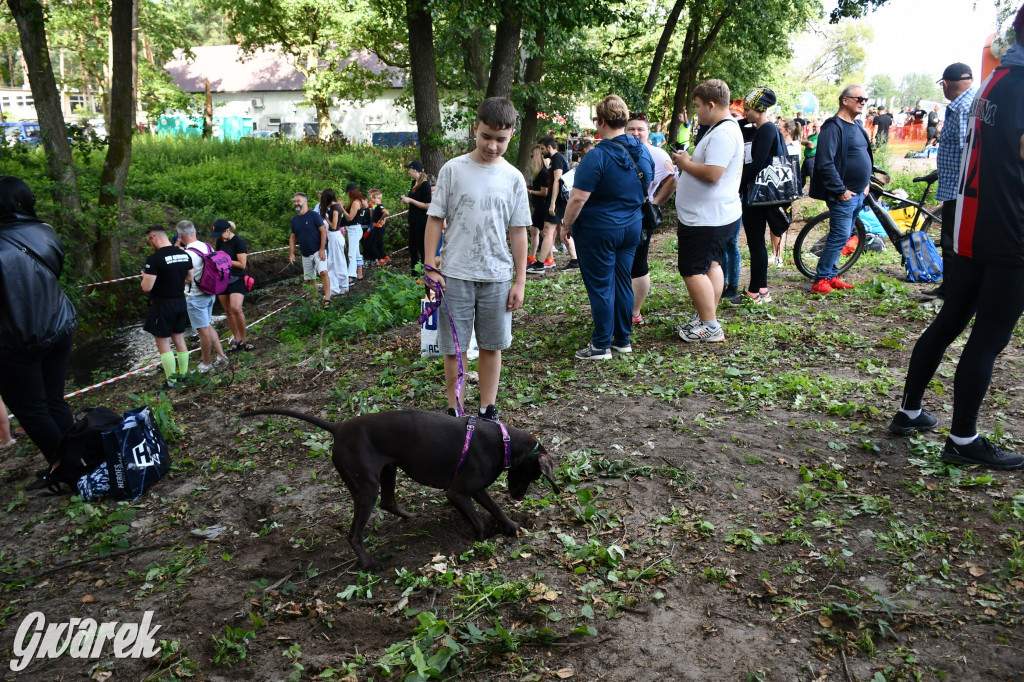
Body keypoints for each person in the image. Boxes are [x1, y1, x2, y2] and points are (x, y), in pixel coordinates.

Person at [888, 7, 1024, 470]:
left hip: (970, 225)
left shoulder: (993, 82)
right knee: (987, 338)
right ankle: (963, 438)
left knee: (951, 320)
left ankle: (909, 413)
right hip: (1011, 234)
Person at [423, 97, 531, 420]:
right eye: (486, 136)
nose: (493, 146)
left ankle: (487, 409)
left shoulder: (514, 178)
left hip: (497, 277)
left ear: (511, 135)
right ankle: (455, 409)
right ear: (475, 128)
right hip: (454, 274)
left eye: (501, 139)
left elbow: (518, 233)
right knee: (455, 350)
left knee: (491, 345)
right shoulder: (453, 170)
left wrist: (520, 280)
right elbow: (433, 220)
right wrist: (431, 266)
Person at [560, 94, 655, 359]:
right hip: (632, 227)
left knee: (601, 285)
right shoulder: (642, 151)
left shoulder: (597, 156)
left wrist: (566, 224)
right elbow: (646, 185)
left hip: (598, 230)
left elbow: (578, 197)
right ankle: (622, 339)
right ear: (624, 120)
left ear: (600, 121)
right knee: (623, 280)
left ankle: (600, 345)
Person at [0, 176, 77, 466]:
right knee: (54, 399)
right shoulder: (46, 231)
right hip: (58, 323)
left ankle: (65, 468)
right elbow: (51, 273)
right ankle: (79, 458)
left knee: (31, 409)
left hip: (17, 339)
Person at [671, 79, 744, 343]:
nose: (697, 112)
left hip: (706, 218)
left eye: (699, 106)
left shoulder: (723, 132)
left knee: (692, 269)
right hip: (712, 214)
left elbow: (713, 174)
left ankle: (710, 326)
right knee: (711, 263)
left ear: (712, 105)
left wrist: (684, 162)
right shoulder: (722, 128)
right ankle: (707, 317)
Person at [808, 84, 873, 294]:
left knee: (843, 237)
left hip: (858, 194)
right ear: (845, 100)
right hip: (843, 195)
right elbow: (825, 162)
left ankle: (831, 275)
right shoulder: (833, 127)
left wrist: (866, 184)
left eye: (865, 99)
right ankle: (821, 280)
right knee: (839, 236)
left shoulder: (857, 127)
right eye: (859, 98)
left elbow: (866, 157)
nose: (863, 102)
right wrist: (840, 190)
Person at [624, 112, 676, 325]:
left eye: (640, 129)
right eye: (631, 129)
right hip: (616, 216)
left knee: (638, 263)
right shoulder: (617, 150)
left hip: (641, 215)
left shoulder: (657, 154)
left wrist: (654, 204)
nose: (636, 133)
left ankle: (634, 312)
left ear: (648, 131)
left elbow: (672, 179)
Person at [930, 62, 976, 300]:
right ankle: (955, 289)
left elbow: (964, 152)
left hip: (959, 189)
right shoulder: (974, 101)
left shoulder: (961, 108)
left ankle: (951, 292)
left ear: (946, 85)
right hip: (964, 187)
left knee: (951, 240)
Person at [734, 87, 784, 304]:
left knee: (756, 243)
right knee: (755, 242)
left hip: (761, 194)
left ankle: (759, 291)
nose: (745, 113)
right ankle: (757, 289)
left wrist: (737, 184)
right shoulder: (755, 128)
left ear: (760, 108)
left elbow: (758, 164)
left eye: (748, 109)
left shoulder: (768, 129)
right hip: (754, 193)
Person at [141, 225, 192, 389]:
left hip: (162, 305)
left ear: (153, 238)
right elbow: (190, 278)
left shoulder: (154, 260)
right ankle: (183, 376)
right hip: (180, 301)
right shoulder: (183, 254)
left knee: (163, 343)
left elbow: (147, 287)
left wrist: (144, 277)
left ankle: (172, 380)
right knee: (179, 339)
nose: (150, 245)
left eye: (149, 241)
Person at [179, 220, 229, 373]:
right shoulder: (206, 246)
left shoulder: (188, 254)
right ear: (194, 232)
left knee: (202, 330)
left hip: (196, 295)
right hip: (210, 291)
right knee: (207, 325)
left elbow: (187, 278)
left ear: (180, 235)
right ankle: (221, 357)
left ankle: (206, 364)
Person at [530, 136, 570, 272]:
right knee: (561, 230)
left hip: (557, 201)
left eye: (542, 148)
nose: (541, 152)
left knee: (547, 231)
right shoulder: (557, 159)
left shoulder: (557, 159)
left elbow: (557, 180)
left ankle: (541, 263)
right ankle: (575, 259)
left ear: (549, 147)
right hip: (559, 201)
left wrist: (552, 203)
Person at [212, 219, 252, 351]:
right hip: (222, 278)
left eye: (220, 233)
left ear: (227, 230)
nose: (218, 236)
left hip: (236, 277)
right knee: (228, 311)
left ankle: (245, 339)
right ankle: (237, 339)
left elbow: (242, 264)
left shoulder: (238, 242)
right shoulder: (219, 241)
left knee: (236, 308)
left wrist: (226, 260)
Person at [289, 192, 330, 307]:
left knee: (323, 272)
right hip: (305, 253)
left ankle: (327, 298)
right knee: (310, 278)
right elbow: (292, 237)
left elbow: (323, 231)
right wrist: (291, 253)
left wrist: (322, 249)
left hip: (318, 250)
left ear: (305, 202)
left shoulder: (314, 215)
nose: (296, 203)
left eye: (298, 201)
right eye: (295, 201)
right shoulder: (295, 220)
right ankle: (315, 301)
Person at [400, 160, 431, 274]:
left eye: (409, 169)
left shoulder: (425, 185)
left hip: (421, 221)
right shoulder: (414, 183)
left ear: (414, 170)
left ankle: (424, 272)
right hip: (412, 219)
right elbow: (412, 199)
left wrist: (411, 200)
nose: (408, 171)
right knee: (412, 246)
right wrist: (406, 199)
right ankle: (414, 272)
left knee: (421, 247)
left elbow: (427, 205)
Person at [317, 188, 349, 297]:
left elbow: (334, 226)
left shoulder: (335, 209)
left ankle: (341, 286)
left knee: (337, 262)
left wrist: (326, 217)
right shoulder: (335, 207)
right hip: (333, 237)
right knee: (332, 262)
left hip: (335, 236)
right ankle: (336, 287)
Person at [526, 144, 549, 267]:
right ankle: (533, 256)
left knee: (543, 233)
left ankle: (547, 258)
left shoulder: (543, 173)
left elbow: (544, 192)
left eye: (531, 156)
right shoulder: (539, 173)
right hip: (538, 206)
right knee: (535, 231)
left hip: (542, 206)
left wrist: (529, 191)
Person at [342, 182, 369, 284]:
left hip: (354, 229)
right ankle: (360, 273)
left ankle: (351, 276)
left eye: (347, 193)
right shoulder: (359, 201)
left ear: (350, 192)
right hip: (354, 229)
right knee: (356, 252)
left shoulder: (355, 202)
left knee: (351, 253)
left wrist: (342, 208)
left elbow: (350, 217)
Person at [366, 189, 390, 265]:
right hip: (376, 227)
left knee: (372, 245)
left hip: (378, 227)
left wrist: (382, 219)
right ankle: (385, 258)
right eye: (373, 198)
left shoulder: (380, 206)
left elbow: (386, 212)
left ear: (379, 198)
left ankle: (380, 259)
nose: (373, 200)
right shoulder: (376, 206)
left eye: (374, 198)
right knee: (379, 244)